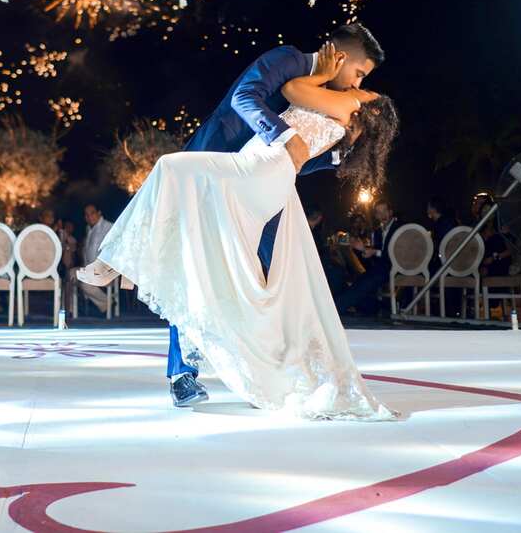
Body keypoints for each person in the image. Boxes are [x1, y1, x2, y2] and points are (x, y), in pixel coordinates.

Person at [78, 42, 402, 421]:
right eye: (362, 76)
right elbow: (246, 98)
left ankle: (261, 372)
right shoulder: (289, 61)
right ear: (343, 58)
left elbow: (299, 139)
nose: (359, 85)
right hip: (224, 162)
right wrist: (295, 132)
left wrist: (309, 145)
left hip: (255, 181)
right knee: (195, 262)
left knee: (254, 284)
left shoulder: (338, 102)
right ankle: (184, 372)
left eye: (366, 85)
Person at [337, 199, 401, 316]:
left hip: (396, 267)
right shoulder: (377, 232)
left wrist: (373, 252)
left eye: (384, 211)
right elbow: (376, 254)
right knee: (359, 283)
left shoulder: (399, 229)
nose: (382, 215)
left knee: (363, 283)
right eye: (378, 212)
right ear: (375, 215)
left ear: (391, 212)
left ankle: (337, 308)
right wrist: (364, 251)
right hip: (382, 268)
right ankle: (376, 309)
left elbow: (397, 253)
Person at [77, 204, 113, 314]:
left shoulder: (108, 227)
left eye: (92, 213)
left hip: (105, 269)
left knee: (82, 281)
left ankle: (108, 302)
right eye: (87, 215)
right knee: (71, 276)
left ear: (99, 213)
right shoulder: (89, 229)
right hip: (90, 268)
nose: (89, 217)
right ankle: (70, 312)